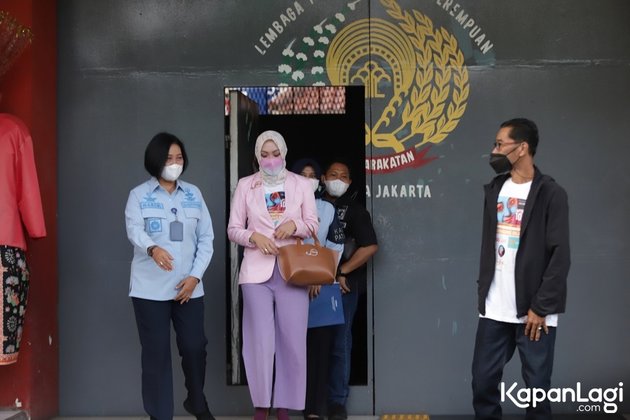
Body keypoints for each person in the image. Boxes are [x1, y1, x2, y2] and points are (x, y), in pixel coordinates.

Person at [472, 118, 570, 419]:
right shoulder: (495, 190)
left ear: (522, 148)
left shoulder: (551, 193)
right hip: (494, 308)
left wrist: (540, 307)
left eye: (500, 144)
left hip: (534, 311)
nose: (494, 150)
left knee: (537, 389)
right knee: (483, 384)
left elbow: (560, 256)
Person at [227, 131, 319, 420]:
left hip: (293, 270)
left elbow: (313, 224)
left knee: (292, 341)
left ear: (284, 153)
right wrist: (253, 236)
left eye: (275, 153)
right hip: (256, 272)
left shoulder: (301, 184)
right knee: (259, 341)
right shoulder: (245, 185)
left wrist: (295, 226)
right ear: (257, 156)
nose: (270, 160)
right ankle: (261, 406)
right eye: (264, 154)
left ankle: (284, 406)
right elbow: (233, 230)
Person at [125, 132, 215, 420]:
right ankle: (160, 415)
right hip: (149, 290)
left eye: (178, 158)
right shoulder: (139, 195)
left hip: (188, 288)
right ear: (155, 161)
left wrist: (195, 277)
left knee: (194, 347)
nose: (174, 163)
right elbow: (134, 229)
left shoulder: (194, 194)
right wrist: (152, 248)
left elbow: (207, 239)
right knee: (156, 355)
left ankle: (196, 400)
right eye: (168, 158)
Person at [321, 160, 378, 420]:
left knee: (339, 343)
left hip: (343, 288)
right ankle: (312, 401)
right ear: (323, 178)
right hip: (307, 284)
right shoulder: (310, 204)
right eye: (333, 174)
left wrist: (342, 271)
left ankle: (336, 401)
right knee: (311, 344)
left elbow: (369, 246)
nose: (338, 179)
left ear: (351, 182)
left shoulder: (354, 210)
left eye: (344, 176)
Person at [290, 158, 345, 420]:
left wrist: (319, 276)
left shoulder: (327, 210)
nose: (308, 179)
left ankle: (314, 409)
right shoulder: (284, 208)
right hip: (290, 289)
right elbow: (284, 249)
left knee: (321, 351)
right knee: (294, 351)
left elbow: (335, 247)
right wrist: (303, 276)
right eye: (303, 174)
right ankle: (290, 406)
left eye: (313, 175)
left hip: (320, 290)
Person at [0, 114, 46, 366]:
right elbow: (26, 186)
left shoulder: (13, 129)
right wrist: (35, 226)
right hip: (4, 245)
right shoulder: (14, 129)